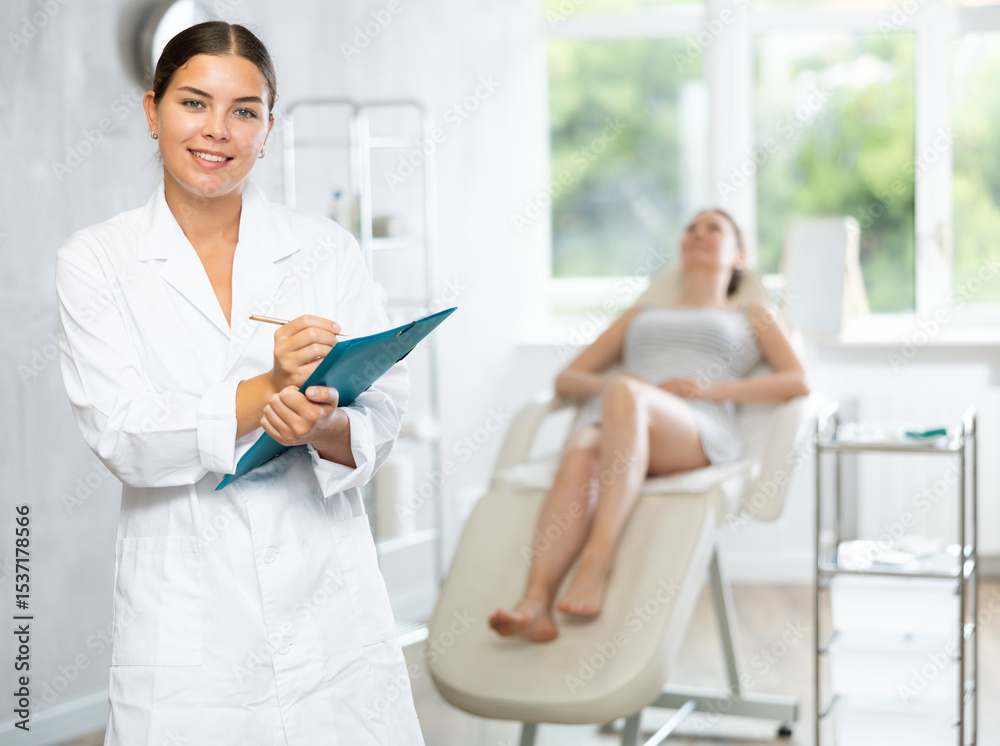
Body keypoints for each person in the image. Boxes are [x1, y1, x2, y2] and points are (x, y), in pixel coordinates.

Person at [55, 22, 424, 745]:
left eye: (244, 111)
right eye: (194, 103)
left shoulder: (325, 248)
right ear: (151, 109)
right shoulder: (96, 259)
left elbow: (383, 408)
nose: (217, 131)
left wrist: (320, 425)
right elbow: (123, 433)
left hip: (326, 599)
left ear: (268, 127)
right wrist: (271, 388)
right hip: (189, 615)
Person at [488, 209, 809, 642]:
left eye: (714, 229)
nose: (698, 234)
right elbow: (568, 378)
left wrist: (710, 390)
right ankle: (534, 603)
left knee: (618, 401)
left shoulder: (752, 314)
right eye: (690, 229)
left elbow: (797, 381)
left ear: (739, 256)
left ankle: (597, 560)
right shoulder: (640, 314)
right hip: (618, 419)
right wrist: (625, 387)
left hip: (692, 426)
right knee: (583, 442)